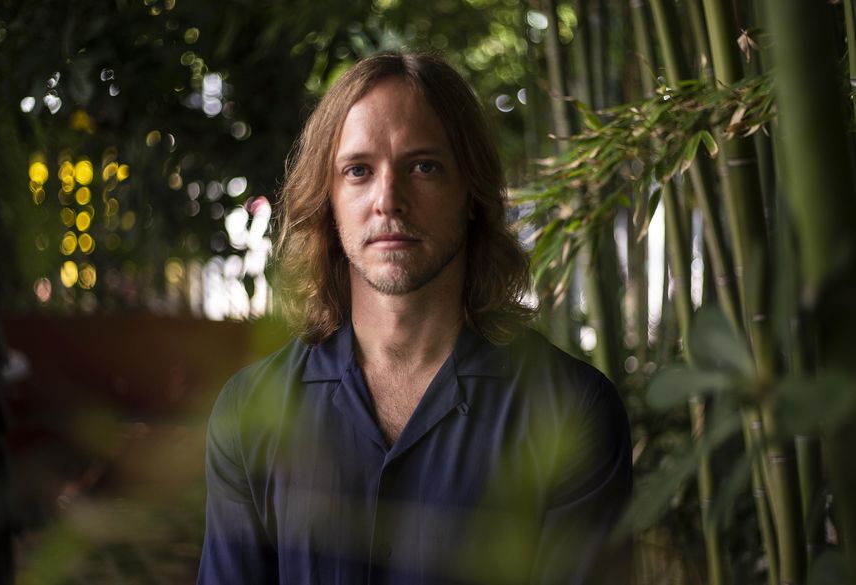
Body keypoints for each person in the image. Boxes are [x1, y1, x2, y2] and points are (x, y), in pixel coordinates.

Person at [197, 52, 632, 585]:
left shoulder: (572, 411)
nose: (388, 200)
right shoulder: (251, 414)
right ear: (328, 201)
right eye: (358, 171)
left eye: (423, 166)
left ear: (471, 193)